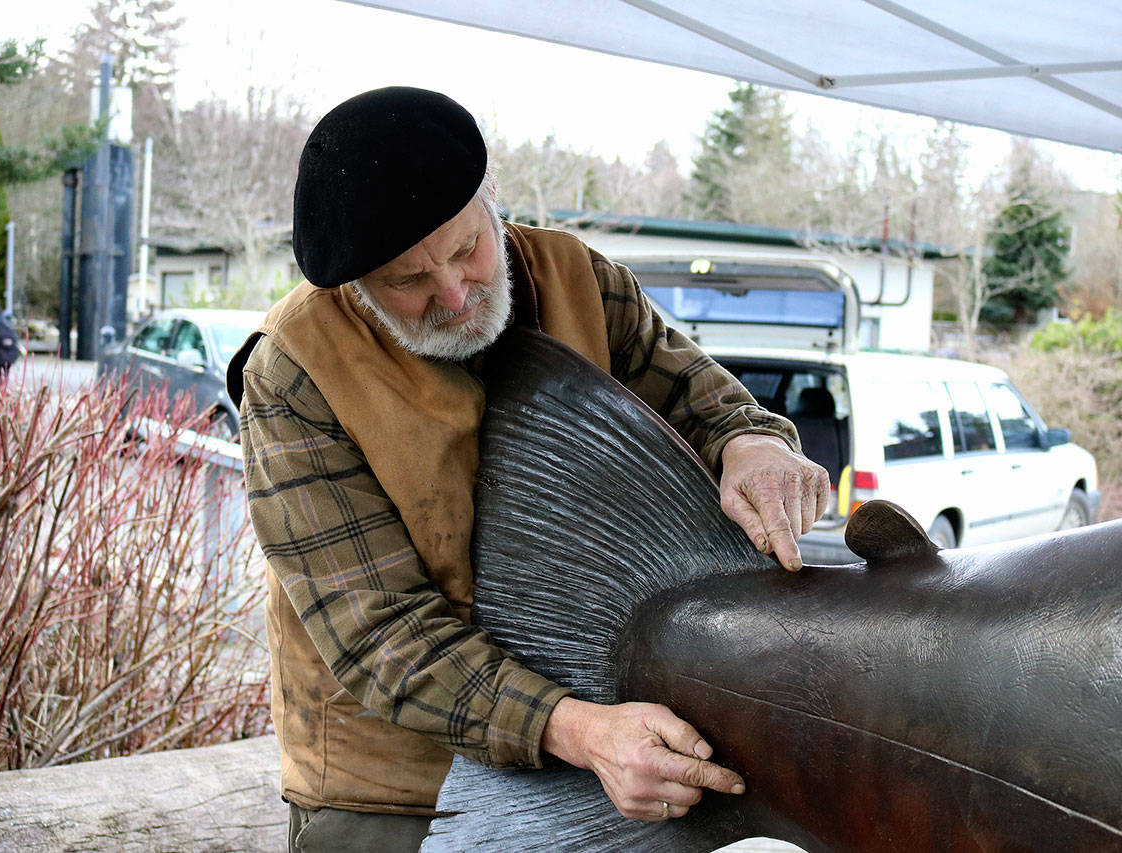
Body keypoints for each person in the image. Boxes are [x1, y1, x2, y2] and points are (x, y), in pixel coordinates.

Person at [227, 86, 832, 853]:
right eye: (408, 282)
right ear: (354, 284)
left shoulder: (577, 274)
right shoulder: (294, 372)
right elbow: (381, 635)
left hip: (609, 751)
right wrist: (577, 729)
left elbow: (708, 404)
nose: (454, 293)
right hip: (397, 789)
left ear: (490, 206)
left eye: (466, 247)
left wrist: (754, 446)